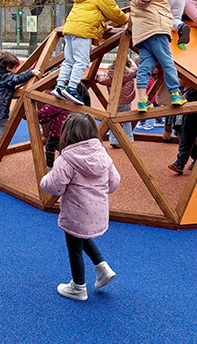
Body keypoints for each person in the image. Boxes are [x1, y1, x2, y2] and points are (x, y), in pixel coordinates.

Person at [40, 113, 121, 302]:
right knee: (81, 237)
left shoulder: (67, 159)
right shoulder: (103, 154)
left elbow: (54, 186)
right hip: (98, 212)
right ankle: (102, 267)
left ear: (67, 133)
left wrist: (44, 179)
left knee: (74, 246)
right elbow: (114, 182)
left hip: (76, 212)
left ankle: (78, 287)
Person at [115, 0, 186, 111]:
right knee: (167, 62)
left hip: (142, 34)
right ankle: (175, 93)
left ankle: (142, 100)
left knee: (145, 66)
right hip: (156, 29)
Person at [51, 0, 128, 105]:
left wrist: (102, 26)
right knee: (82, 61)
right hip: (83, 32)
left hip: (71, 28)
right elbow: (113, 12)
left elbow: (89, 12)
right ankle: (72, 88)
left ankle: (59, 86)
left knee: (69, 60)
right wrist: (126, 19)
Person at [0, 52, 41, 163]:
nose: (15, 71)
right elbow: (17, 79)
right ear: (8, 68)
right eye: (14, 68)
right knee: (6, 126)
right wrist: (31, 72)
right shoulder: (6, 76)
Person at [37, 84, 90, 167]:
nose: (43, 93)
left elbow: (41, 114)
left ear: (50, 89)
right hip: (70, 132)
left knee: (50, 148)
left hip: (57, 133)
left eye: (44, 90)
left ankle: (50, 165)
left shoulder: (54, 102)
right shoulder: (71, 99)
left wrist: (25, 114)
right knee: (67, 149)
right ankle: (71, 164)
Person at [95, 56, 138, 148]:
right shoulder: (130, 73)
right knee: (126, 121)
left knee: (114, 121)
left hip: (115, 102)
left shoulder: (111, 75)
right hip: (127, 102)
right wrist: (130, 59)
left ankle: (115, 141)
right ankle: (128, 139)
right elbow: (135, 68)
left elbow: (102, 79)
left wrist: (98, 73)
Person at [167, 84, 197, 175]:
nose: (176, 79)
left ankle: (180, 164)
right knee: (190, 144)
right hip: (180, 123)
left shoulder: (195, 93)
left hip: (191, 124)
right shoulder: (180, 90)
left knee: (184, 145)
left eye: (179, 77)